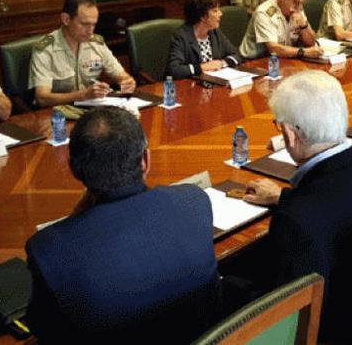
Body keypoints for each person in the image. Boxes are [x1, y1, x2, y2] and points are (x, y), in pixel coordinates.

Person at [25, 107, 220, 343]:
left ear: (73, 169)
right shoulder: (193, 200)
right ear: (145, 160)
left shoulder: (48, 249)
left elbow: (41, 327)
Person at [243, 71, 352, 343]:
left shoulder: (297, 221)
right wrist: (285, 198)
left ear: (289, 133)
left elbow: (281, 317)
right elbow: (337, 203)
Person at [29, 0, 136, 107]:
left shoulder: (96, 43)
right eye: (84, 24)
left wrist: (127, 82)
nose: (90, 31)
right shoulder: (45, 49)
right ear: (66, 19)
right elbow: (42, 98)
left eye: (93, 25)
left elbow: (121, 75)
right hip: (57, 115)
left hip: (90, 110)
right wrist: (82, 95)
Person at [238, 0, 323, 59]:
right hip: (254, 61)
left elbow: (311, 43)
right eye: (296, 2)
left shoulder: (297, 8)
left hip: (283, 59)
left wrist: (304, 26)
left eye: (301, 3)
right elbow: (274, 49)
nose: (299, 7)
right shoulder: (264, 12)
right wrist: (303, 52)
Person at [166, 0, 243, 79]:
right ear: (202, 17)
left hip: (215, 83)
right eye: (215, 11)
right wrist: (203, 67)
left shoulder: (214, 32)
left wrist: (221, 63)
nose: (220, 14)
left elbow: (237, 55)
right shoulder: (181, 36)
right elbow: (174, 70)